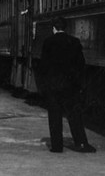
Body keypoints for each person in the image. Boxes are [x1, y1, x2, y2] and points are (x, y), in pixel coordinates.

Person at [40, 17, 96, 153]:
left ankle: (57, 146)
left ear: (53, 28)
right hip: (70, 86)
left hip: (53, 86)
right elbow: (81, 65)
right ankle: (81, 143)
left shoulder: (48, 42)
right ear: (65, 28)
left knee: (54, 116)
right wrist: (78, 84)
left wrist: (46, 84)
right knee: (75, 115)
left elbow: (43, 66)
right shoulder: (74, 42)